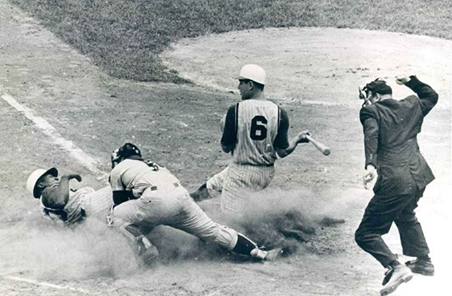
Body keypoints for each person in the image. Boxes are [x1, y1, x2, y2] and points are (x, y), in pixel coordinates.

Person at [108, 142, 283, 263]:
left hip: (155, 200)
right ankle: (260, 253)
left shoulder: (119, 169)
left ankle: (144, 247)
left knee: (115, 216)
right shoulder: (154, 166)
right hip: (182, 197)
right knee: (214, 231)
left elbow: (120, 203)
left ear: (121, 159)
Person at [355, 75, 438, 296]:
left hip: (394, 180)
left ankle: (395, 267)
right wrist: (411, 80)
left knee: (365, 233)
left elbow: (371, 134)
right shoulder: (411, 104)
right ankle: (423, 261)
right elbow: (432, 95)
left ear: (374, 96)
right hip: (419, 177)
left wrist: (370, 164)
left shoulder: (371, 111)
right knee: (405, 213)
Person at [191, 64, 310, 214]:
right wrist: (297, 139)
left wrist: (225, 127)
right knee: (209, 188)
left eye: (241, 82)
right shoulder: (280, 113)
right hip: (265, 174)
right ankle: (183, 209)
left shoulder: (235, 111)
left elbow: (226, 147)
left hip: (240, 174)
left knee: (230, 223)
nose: (238, 86)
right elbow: (282, 152)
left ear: (251, 85)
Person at [26, 167, 113, 225]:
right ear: (41, 184)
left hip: (88, 219)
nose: (56, 178)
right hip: (90, 205)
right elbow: (60, 201)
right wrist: (65, 177)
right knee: (121, 185)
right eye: (50, 177)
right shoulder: (46, 192)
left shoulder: (46, 206)